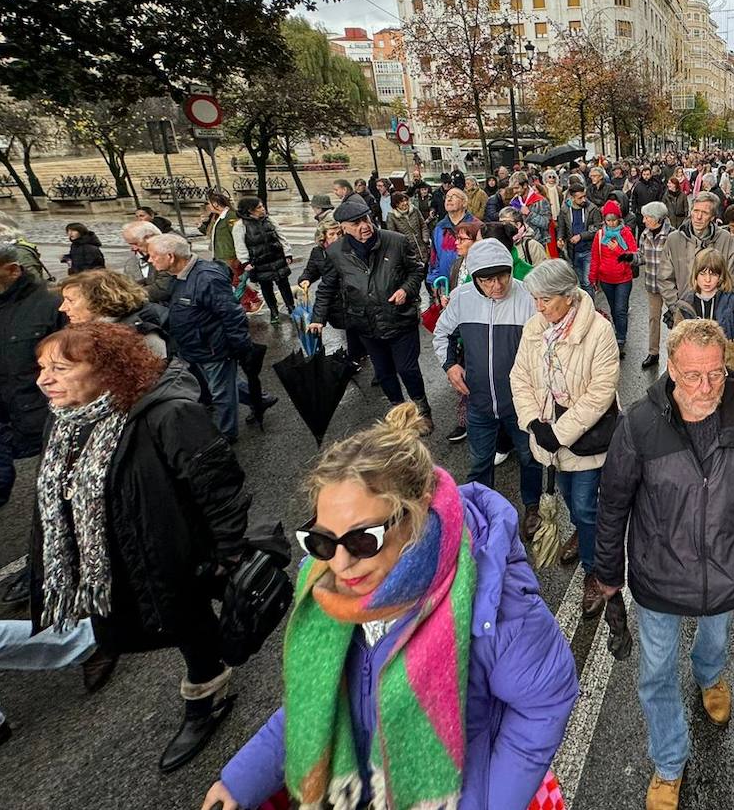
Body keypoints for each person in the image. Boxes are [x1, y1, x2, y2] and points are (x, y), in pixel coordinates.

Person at [200, 404, 579, 810]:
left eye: (362, 541)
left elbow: (545, 701)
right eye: (322, 541)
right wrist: (242, 779)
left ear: (414, 519)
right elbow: (317, 700)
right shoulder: (326, 590)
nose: (340, 564)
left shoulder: (492, 602)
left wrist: (491, 802)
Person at [33, 322, 248, 772]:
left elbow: (218, 487)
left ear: (108, 370)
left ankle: (206, 695)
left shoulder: (166, 416)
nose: (44, 380)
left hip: (169, 558)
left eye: (59, 368)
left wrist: (230, 558)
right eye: (42, 368)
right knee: (141, 626)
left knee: (189, 627)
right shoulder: (68, 419)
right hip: (109, 563)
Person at [593, 318, 734, 810]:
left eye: (717, 374)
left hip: (726, 567)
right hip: (660, 573)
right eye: (694, 375)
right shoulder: (639, 423)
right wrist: (609, 575)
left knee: (715, 639)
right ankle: (669, 761)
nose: (706, 387)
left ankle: (710, 675)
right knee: (656, 672)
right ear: (671, 370)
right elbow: (613, 502)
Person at [510, 260, 619, 615]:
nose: (538, 308)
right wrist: (533, 423)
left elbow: (600, 393)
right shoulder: (534, 329)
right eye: (536, 300)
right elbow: (520, 378)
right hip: (548, 435)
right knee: (570, 496)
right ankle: (582, 533)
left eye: (544, 300)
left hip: (584, 438)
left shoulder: (599, 332)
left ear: (568, 297)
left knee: (586, 504)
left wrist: (559, 432)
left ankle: (595, 571)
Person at [432, 240, 543, 538]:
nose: (497, 285)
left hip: (522, 403)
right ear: (476, 279)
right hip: (478, 399)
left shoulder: (528, 297)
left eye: (503, 276)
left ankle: (533, 507)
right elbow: (442, 334)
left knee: (530, 457)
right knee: (480, 461)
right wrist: (450, 365)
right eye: (488, 279)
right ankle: (478, 511)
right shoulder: (461, 297)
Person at [309, 199, 433, 434]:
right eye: (355, 223)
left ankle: (421, 408)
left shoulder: (395, 241)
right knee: (384, 372)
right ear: (343, 228)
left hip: (399, 318)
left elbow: (416, 269)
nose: (364, 226)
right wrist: (318, 318)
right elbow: (327, 286)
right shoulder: (336, 252)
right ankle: (398, 411)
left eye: (366, 219)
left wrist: (406, 290)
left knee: (407, 369)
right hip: (366, 324)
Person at [147, 233, 253, 443]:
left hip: (213, 348)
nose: (150, 260)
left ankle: (225, 435)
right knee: (224, 385)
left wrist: (241, 346)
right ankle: (259, 400)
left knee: (220, 394)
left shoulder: (206, 277)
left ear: (170, 256)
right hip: (194, 347)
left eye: (152, 255)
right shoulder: (179, 276)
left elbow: (231, 314)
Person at [0, 240, 63, 508]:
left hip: (42, 413)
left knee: (54, 488)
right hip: (3, 416)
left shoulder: (51, 305)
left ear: (13, 270)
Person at [671, 248, 734, 381]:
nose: (707, 280)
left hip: (733, 373)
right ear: (695, 275)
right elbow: (676, 341)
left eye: (713, 274)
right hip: (698, 375)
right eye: (702, 274)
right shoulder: (685, 305)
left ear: (721, 276)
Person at [297, 214, 366, 372]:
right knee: (348, 330)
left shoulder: (348, 249)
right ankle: (355, 356)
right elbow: (311, 270)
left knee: (355, 330)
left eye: (339, 233)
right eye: (332, 234)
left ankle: (355, 357)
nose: (336, 237)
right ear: (323, 237)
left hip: (352, 297)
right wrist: (305, 279)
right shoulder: (318, 253)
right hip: (335, 301)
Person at [657, 191, 734, 310]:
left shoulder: (725, 239)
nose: (698, 217)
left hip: (716, 312)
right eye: (695, 211)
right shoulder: (674, 239)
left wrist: (719, 308)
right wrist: (677, 307)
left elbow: (733, 280)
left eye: (704, 213)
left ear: (712, 217)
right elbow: (664, 278)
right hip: (684, 311)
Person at [57, 269, 168, 356]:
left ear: (100, 300)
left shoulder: (142, 338)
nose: (62, 308)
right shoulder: (88, 330)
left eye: (70, 300)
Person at [231, 196, 294, 323]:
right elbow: (240, 245)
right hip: (259, 262)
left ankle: (291, 308)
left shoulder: (269, 220)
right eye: (259, 207)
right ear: (250, 210)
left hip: (277, 258)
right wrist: (245, 262)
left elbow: (281, 237)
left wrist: (287, 253)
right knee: (266, 288)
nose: (263, 209)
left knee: (284, 284)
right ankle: (274, 311)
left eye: (262, 206)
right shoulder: (240, 226)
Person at [589, 201, 638, 358]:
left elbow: (633, 255)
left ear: (619, 219)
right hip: (606, 278)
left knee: (621, 309)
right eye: (608, 220)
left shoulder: (626, 233)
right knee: (614, 309)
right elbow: (595, 257)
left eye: (614, 220)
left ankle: (621, 338)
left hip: (623, 278)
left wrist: (617, 250)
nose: (611, 223)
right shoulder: (600, 236)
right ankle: (618, 329)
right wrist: (593, 277)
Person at [637, 201, 674, 370]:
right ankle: (653, 353)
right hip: (652, 285)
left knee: (676, 321)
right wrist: (627, 258)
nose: (643, 221)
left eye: (646, 217)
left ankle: (676, 355)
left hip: (670, 287)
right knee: (653, 319)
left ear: (656, 219)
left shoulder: (673, 235)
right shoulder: (645, 234)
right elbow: (642, 257)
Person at [427, 187, 480, 290]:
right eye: (447, 197)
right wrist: (434, 281)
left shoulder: (476, 226)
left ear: (464, 203)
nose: (449, 199)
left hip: (470, 285)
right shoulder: (439, 228)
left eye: (453, 196)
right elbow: (434, 258)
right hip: (445, 286)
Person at [556, 181, 602, 294]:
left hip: (588, 250)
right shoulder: (565, 210)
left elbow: (597, 229)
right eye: (580, 198)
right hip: (573, 252)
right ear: (572, 197)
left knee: (587, 282)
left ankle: (590, 307)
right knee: (578, 282)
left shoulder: (592, 209)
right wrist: (560, 238)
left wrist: (581, 236)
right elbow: (561, 227)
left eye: (584, 196)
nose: (583, 200)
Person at [120, 220, 174, 304]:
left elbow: (163, 288)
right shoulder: (132, 263)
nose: (133, 248)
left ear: (149, 238)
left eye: (135, 243)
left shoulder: (168, 254)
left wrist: (128, 295)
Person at [385, 188, 430, 266]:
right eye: (401, 202)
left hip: (422, 246)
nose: (405, 203)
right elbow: (393, 236)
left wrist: (425, 238)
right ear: (396, 204)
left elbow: (423, 225)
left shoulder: (414, 210)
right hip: (409, 252)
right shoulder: (392, 217)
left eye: (405, 200)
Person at [197, 192, 238, 267]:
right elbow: (211, 233)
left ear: (216, 204)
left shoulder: (230, 216)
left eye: (209, 204)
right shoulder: (216, 217)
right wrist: (201, 226)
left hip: (229, 256)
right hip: (218, 255)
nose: (208, 206)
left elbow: (238, 235)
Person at [630, 164, 666, 231]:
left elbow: (659, 198)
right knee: (641, 232)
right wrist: (635, 210)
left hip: (653, 214)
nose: (646, 176)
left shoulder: (656, 185)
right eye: (644, 174)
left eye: (647, 174)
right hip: (641, 214)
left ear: (650, 175)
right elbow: (634, 199)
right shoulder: (638, 186)